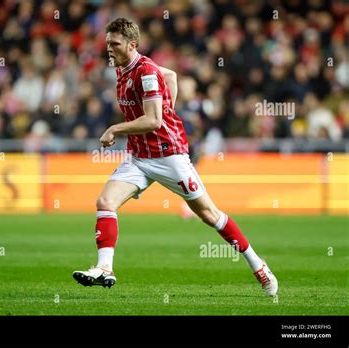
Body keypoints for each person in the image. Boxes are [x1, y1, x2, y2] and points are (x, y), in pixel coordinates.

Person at [73, 18, 278, 296]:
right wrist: (169, 106)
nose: (108, 48)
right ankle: (105, 269)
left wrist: (117, 128)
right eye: (108, 42)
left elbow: (155, 121)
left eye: (115, 43)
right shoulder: (123, 69)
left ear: (132, 44)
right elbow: (171, 77)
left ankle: (258, 265)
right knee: (105, 201)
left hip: (169, 156)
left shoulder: (144, 71)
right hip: (139, 157)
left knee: (210, 215)